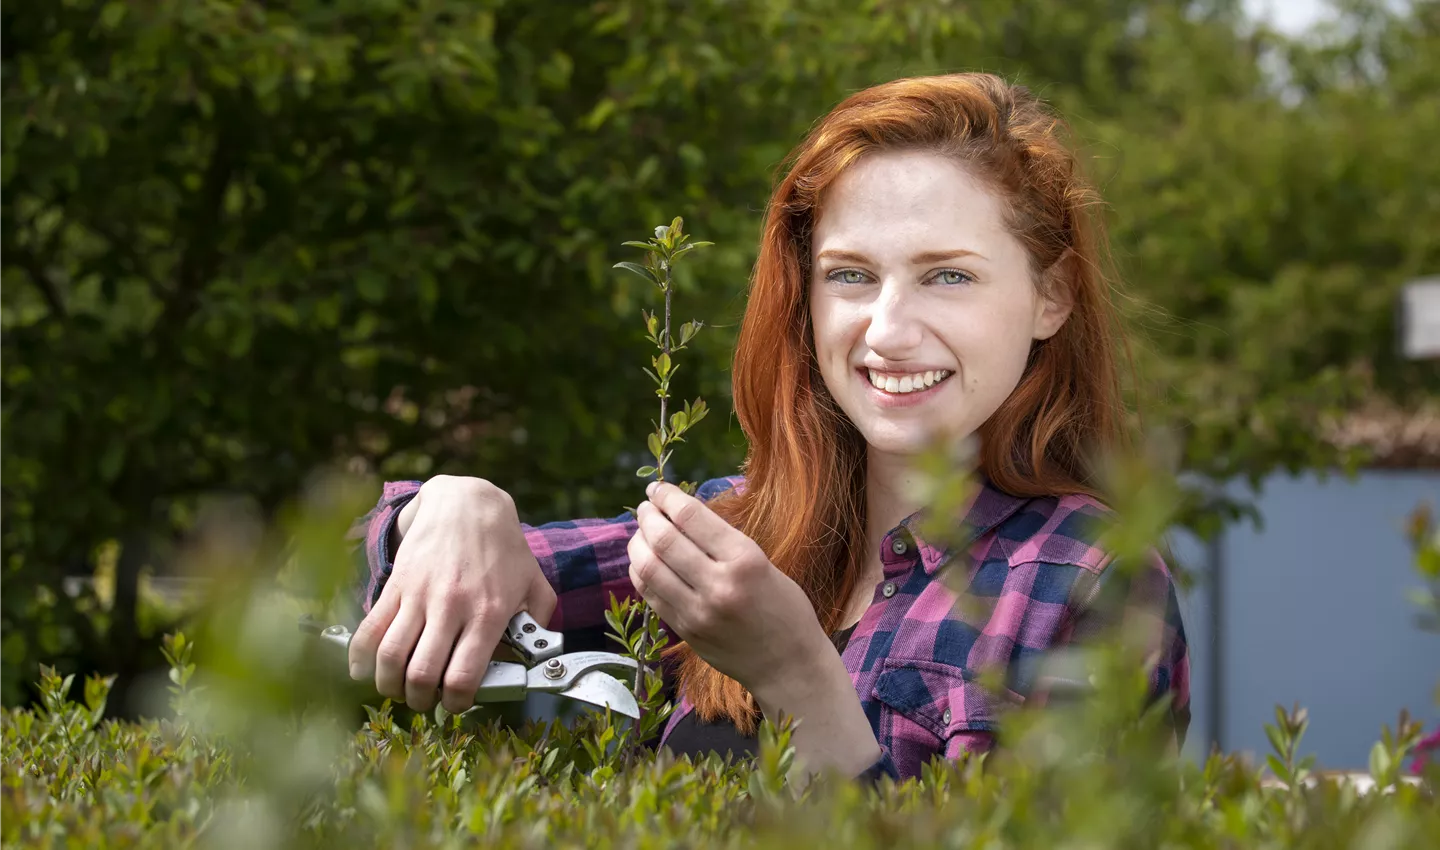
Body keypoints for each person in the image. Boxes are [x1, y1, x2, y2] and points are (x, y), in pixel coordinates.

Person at [346, 72, 1190, 784]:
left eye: (948, 277)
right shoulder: (736, 531)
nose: (889, 330)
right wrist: (453, 511)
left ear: (1053, 296)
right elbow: (395, 589)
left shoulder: (1089, 581)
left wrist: (796, 675)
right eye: (851, 274)